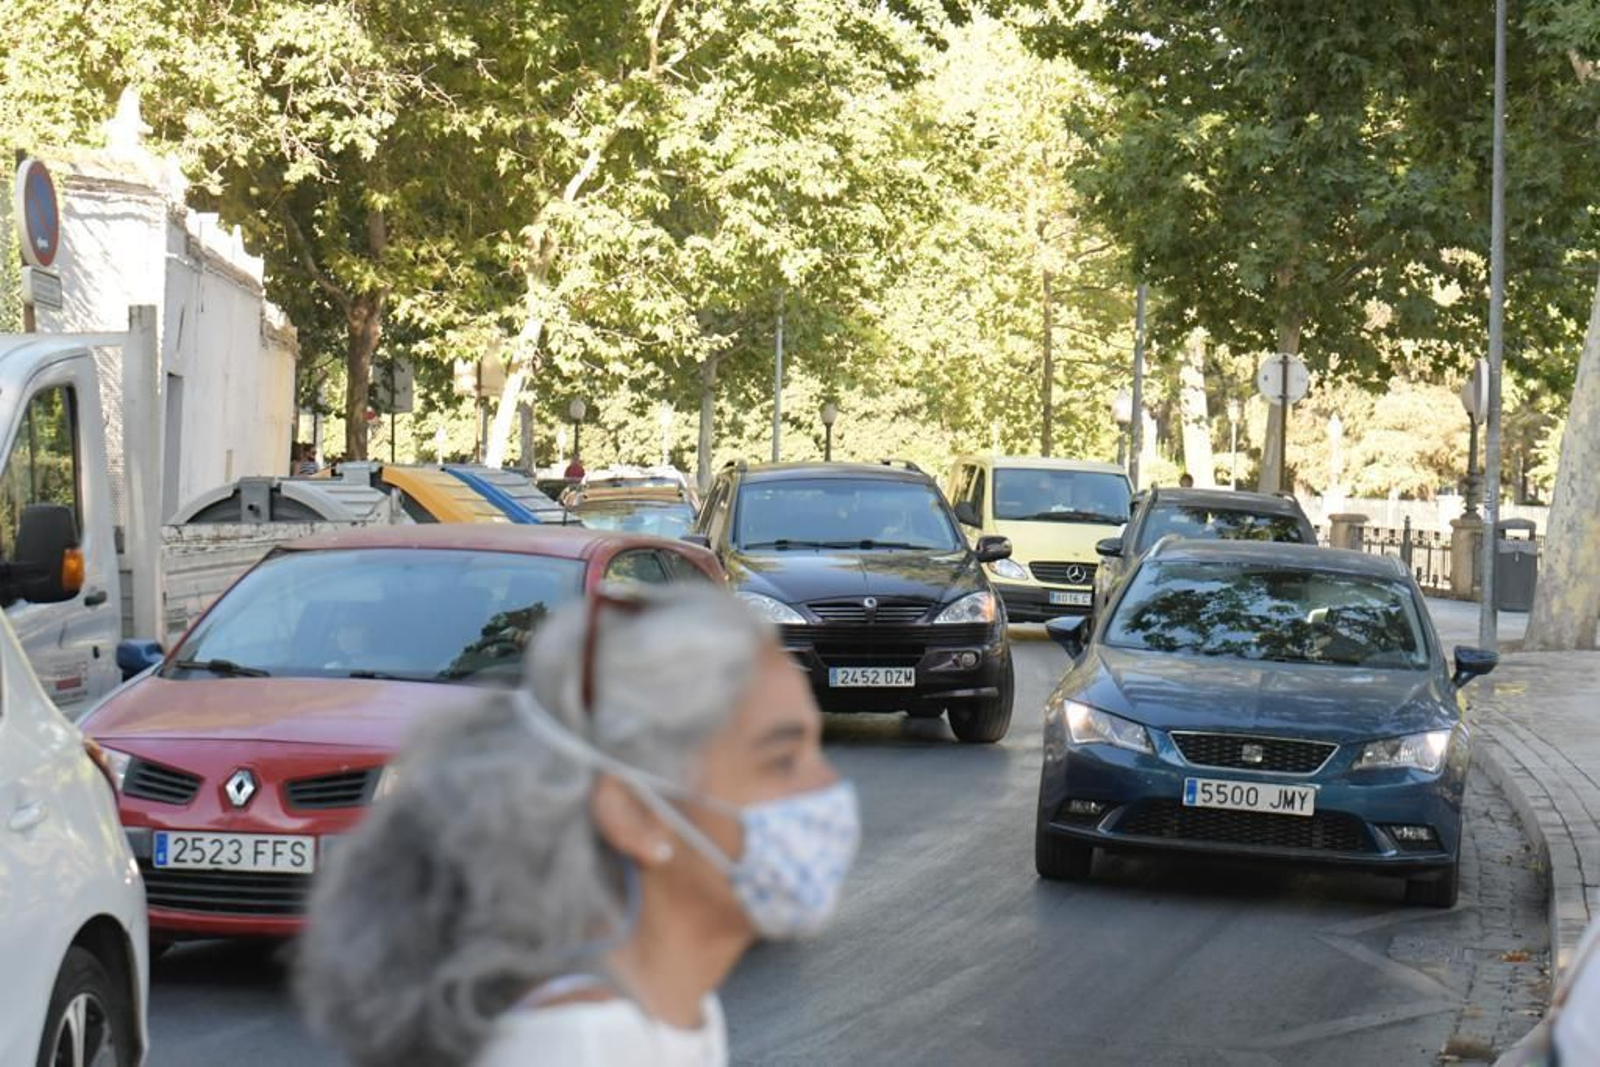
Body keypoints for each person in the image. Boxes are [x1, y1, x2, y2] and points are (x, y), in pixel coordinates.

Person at [296, 585, 858, 1067]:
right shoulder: (582, 1043)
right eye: (781, 760)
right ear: (634, 813)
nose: (827, 790)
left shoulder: (674, 1010)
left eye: (817, 750)